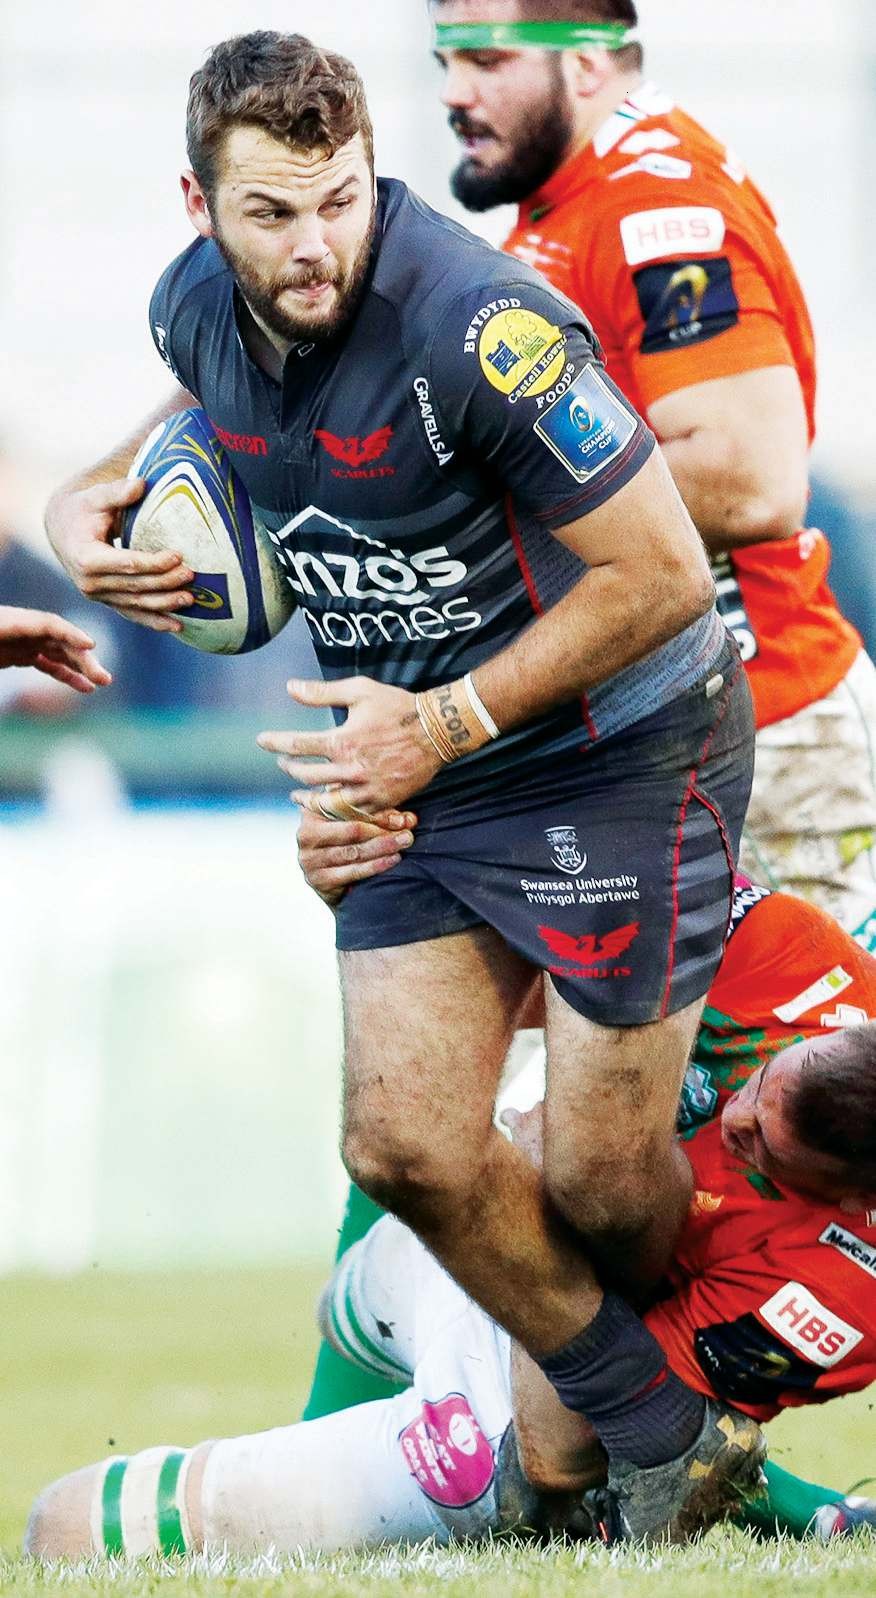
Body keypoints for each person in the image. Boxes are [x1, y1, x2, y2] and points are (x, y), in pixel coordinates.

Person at [44, 31, 757, 1542]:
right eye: (271, 213)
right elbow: (194, 412)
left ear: (374, 175)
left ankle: (673, 1404)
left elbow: (667, 576)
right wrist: (76, 499)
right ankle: (658, 1429)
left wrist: (445, 721)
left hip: (615, 746)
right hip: (418, 755)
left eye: (341, 202)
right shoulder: (189, 305)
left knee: (603, 1177)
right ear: (199, 206)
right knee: (404, 1143)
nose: (314, 247)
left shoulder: (482, 327)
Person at [25, 887, 876, 1557]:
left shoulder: (842, 1291)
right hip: (466, 1237)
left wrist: (571, 1172)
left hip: (516, 1390)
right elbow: (535, 955)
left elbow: (575, 1443)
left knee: (65, 1529)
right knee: (408, 1161)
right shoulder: (799, 962)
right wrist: (373, 882)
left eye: (761, 1144)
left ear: (852, 1196)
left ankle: (804, 1511)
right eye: (765, 1079)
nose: (736, 1115)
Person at [429, 0, 876, 950]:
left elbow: (750, 478)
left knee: (817, 1047)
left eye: (486, 60)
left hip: (767, 730)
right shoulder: (570, 206)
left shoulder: (654, 208)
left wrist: (477, 535)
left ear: (588, 62)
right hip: (666, 734)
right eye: (445, 63)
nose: (454, 93)